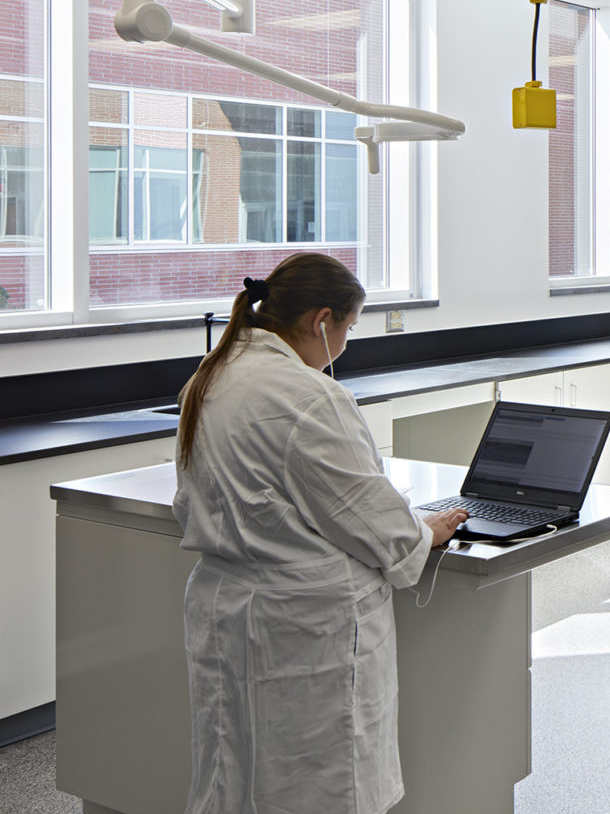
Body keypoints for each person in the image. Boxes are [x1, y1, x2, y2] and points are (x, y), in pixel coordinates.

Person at [173, 254, 468, 814]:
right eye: (349, 329)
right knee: (318, 786)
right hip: (305, 624)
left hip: (223, 606)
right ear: (322, 320)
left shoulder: (209, 377)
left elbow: (192, 502)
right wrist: (422, 534)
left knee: (229, 771)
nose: (346, 344)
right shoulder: (309, 396)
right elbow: (370, 520)